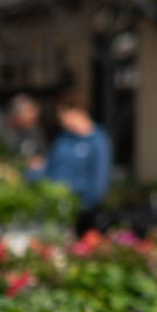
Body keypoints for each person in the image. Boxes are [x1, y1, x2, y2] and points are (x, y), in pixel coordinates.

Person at [31, 89, 112, 235]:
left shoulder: (98, 141)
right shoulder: (63, 139)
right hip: (55, 207)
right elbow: (51, 167)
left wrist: (85, 204)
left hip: (81, 211)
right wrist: (36, 170)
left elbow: (99, 180)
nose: (63, 122)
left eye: (65, 116)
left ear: (79, 112)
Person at [6, 92, 46, 167]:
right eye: (29, 113)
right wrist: (26, 162)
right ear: (16, 116)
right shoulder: (5, 135)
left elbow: (43, 152)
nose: (34, 119)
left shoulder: (34, 131)